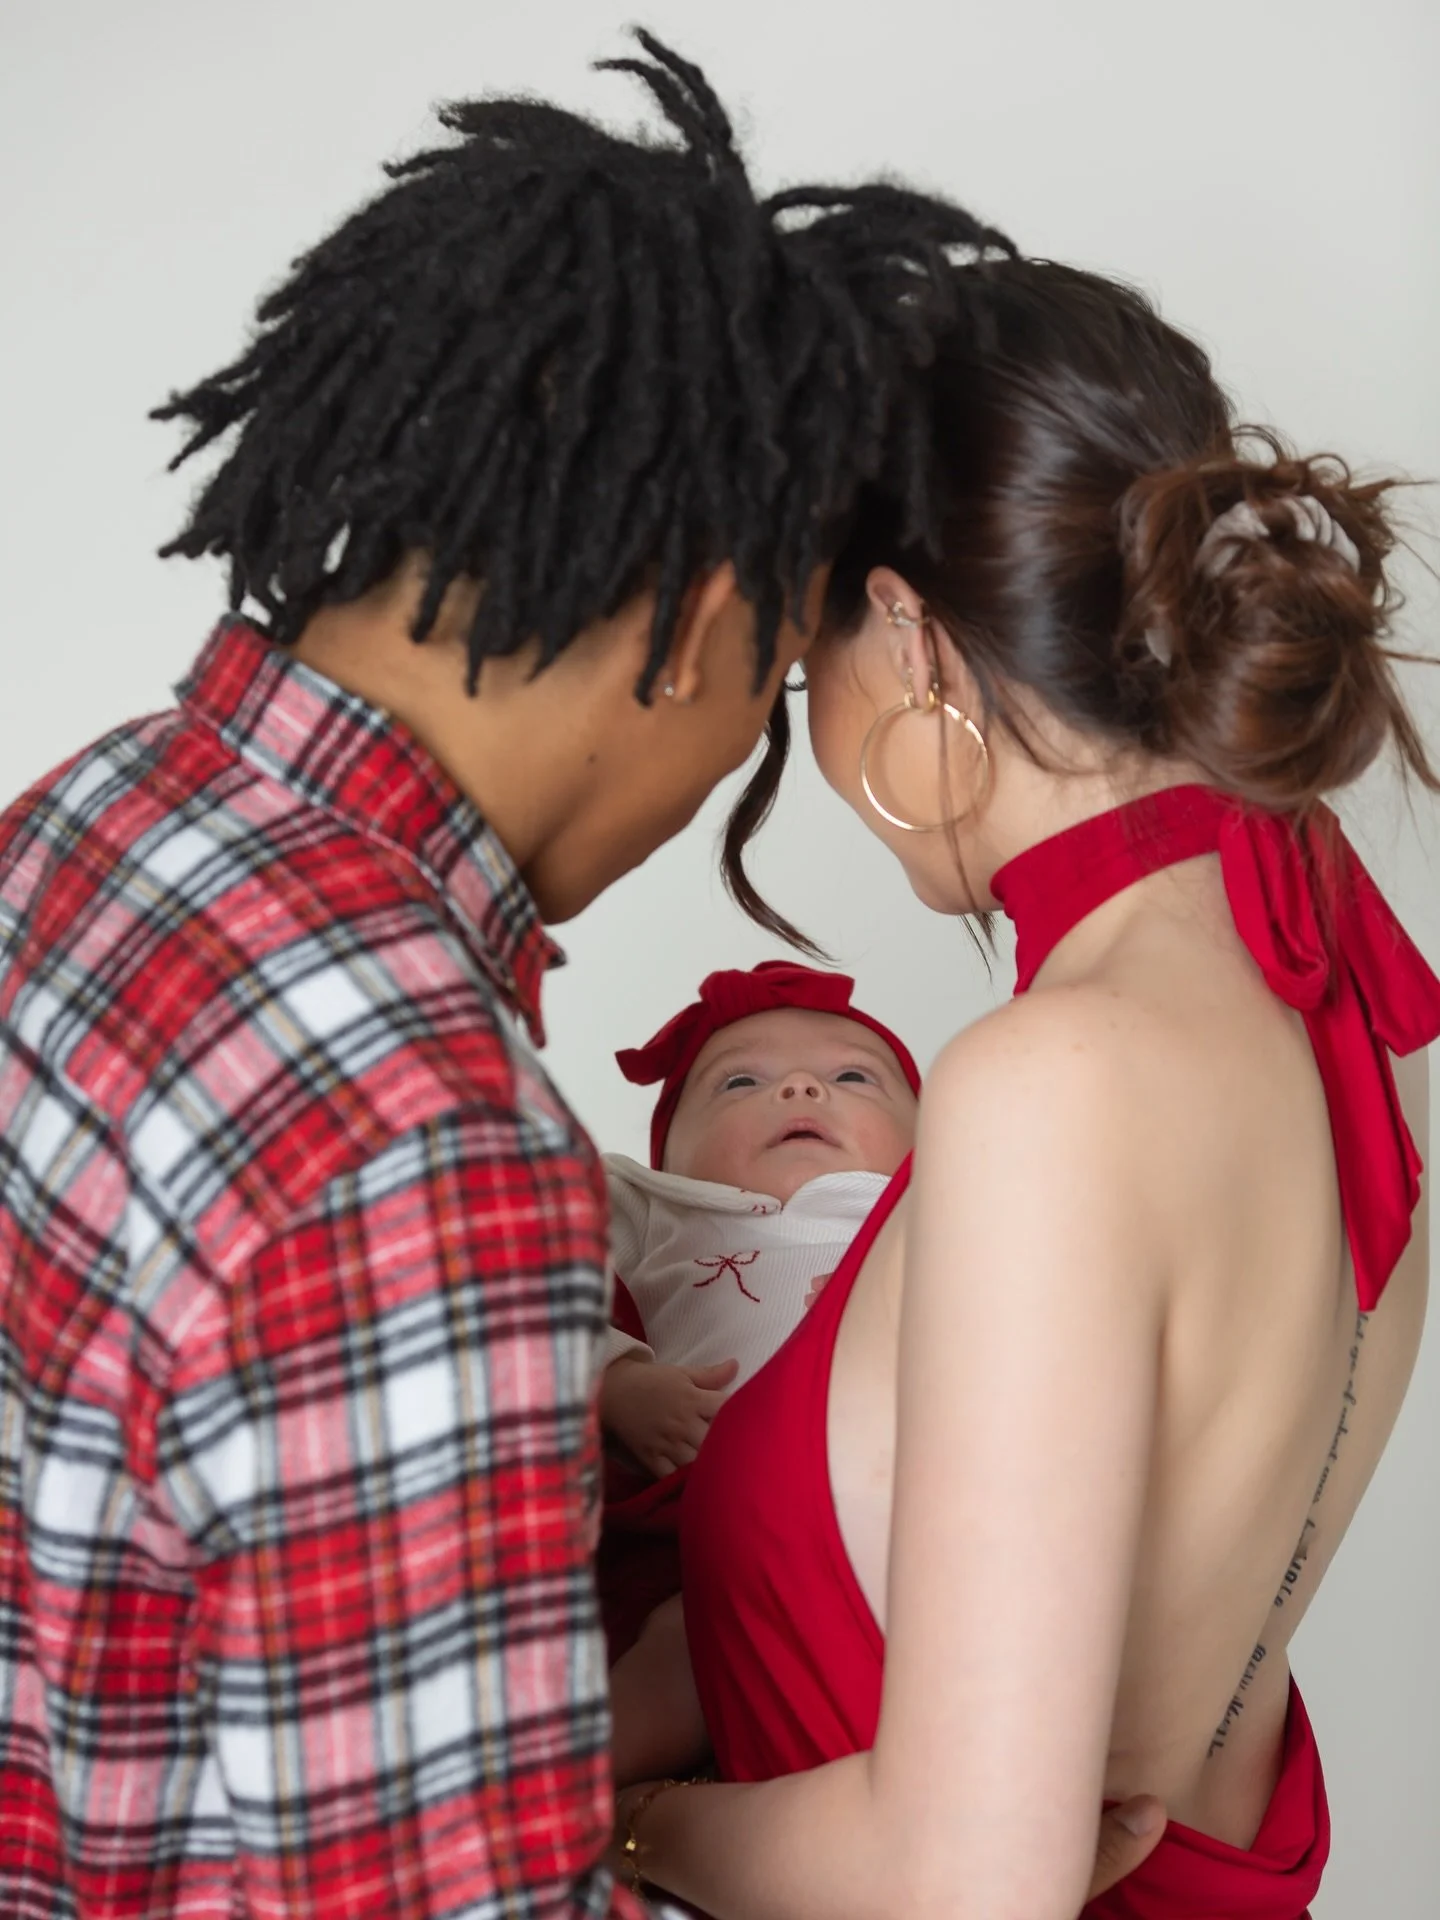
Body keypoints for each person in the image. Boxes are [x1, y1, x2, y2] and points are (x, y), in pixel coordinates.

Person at [0, 33, 1164, 1920]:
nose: (741, 756)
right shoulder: (411, 1127)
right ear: (705, 624)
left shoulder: (77, 831)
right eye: (779, 685)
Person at [611, 258, 1440, 1919]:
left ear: (908, 636)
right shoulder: (1347, 970)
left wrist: (629, 1820)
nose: (815, 725)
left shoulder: (1052, 1082)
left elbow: (968, 1881)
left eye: (806, 663)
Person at [594, 961, 920, 1670]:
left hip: (906, 1499)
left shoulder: (931, 1210)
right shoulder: (651, 1207)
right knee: (687, 1639)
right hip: (715, 1510)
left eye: (855, 1078)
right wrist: (619, 1384)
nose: (801, 1088)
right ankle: (588, 1761)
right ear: (669, 1154)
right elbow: (534, 1296)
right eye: (741, 1081)